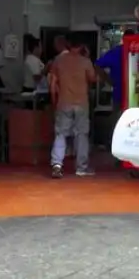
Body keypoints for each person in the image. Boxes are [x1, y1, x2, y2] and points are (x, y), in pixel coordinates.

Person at [48, 42, 97, 178]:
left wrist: (54, 102)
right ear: (81, 46)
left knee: (60, 134)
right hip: (81, 103)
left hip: (63, 103)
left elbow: (52, 84)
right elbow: (93, 78)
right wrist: (87, 57)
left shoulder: (59, 60)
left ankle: (57, 164)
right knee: (81, 135)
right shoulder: (85, 61)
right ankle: (81, 168)